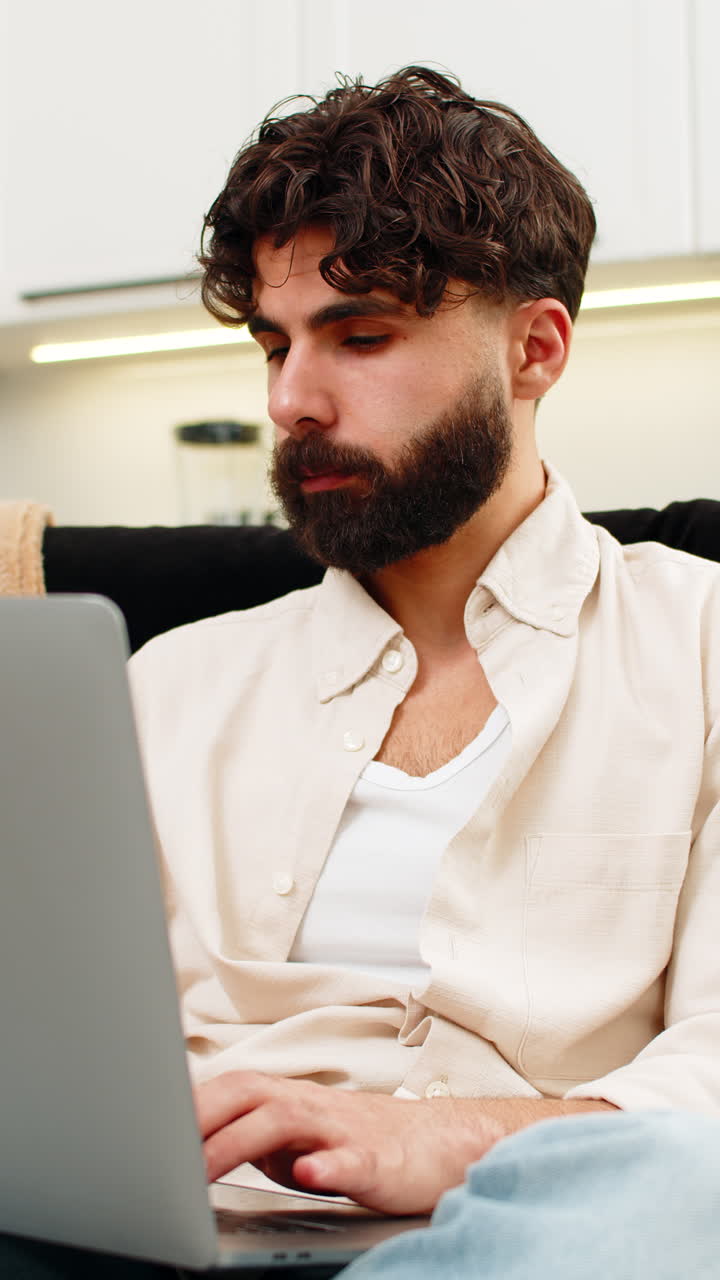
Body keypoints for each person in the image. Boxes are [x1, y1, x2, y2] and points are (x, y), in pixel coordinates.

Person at [4, 64, 720, 1279]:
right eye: (274, 345)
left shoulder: (698, 645)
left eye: (363, 335)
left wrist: (443, 1139)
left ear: (536, 348)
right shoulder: (160, 685)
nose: (294, 398)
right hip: (175, 1237)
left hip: (528, 1229)